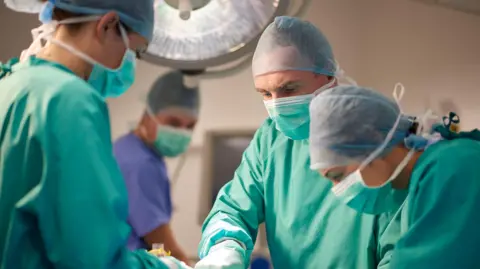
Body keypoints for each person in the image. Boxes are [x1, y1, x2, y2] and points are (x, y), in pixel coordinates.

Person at [194, 16, 406, 269]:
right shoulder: (271, 140)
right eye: (265, 93)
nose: (277, 104)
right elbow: (233, 209)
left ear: (328, 77)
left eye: (289, 89)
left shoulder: (372, 134)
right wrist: (224, 248)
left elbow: (401, 252)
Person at [0, 0, 190, 268]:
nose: (126, 62)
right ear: (108, 24)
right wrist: (168, 266)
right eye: (131, 49)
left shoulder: (12, 83)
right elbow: (94, 259)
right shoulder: (69, 100)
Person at [309, 84, 480, 268]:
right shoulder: (418, 183)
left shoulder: (453, 168)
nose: (337, 189)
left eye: (337, 175)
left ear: (373, 148)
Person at [114, 71, 199, 265]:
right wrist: (182, 263)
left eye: (190, 126)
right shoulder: (140, 164)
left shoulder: (128, 148)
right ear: (147, 116)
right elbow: (159, 243)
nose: (182, 132)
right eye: (174, 123)